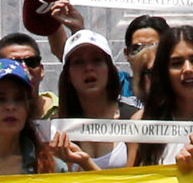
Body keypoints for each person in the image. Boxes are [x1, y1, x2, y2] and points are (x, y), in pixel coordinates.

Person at [131, 23, 193, 164]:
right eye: (176, 63)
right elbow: (132, 181)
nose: (188, 69)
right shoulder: (142, 121)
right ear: (164, 72)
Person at [48, 35, 140, 166]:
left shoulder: (134, 118)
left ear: (110, 69)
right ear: (67, 75)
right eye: (79, 62)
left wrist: (86, 164)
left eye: (97, 60)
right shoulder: (55, 127)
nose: (89, 68)